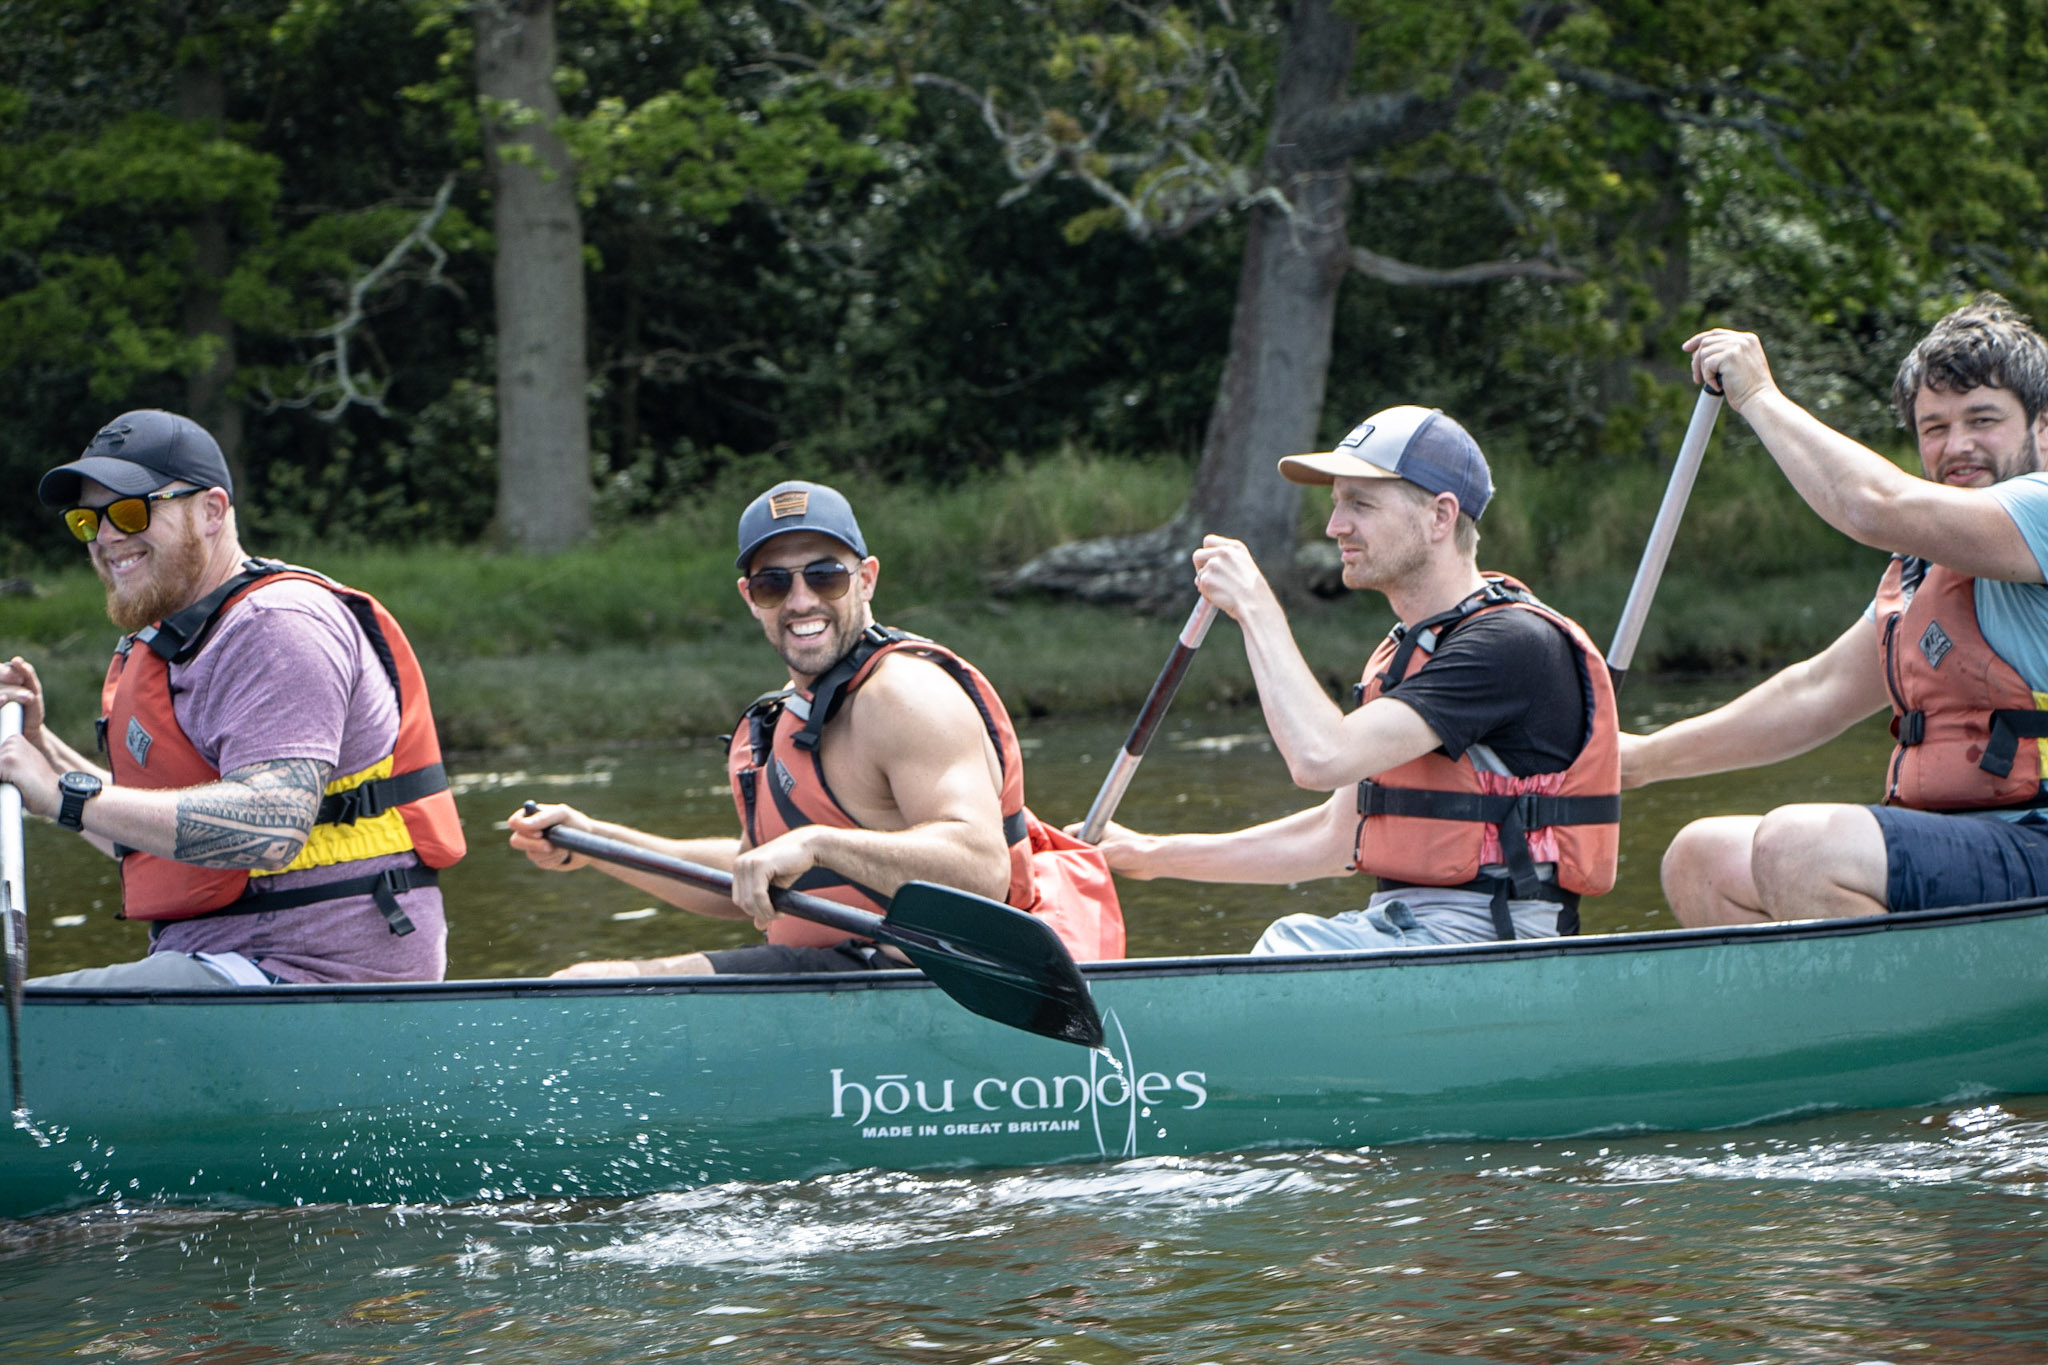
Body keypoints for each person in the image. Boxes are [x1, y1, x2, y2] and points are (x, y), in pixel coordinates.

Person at [508, 480, 1121, 975]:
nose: (801, 600)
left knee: (589, 987)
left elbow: (981, 870)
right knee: (584, 986)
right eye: (776, 583)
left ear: (867, 579)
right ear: (752, 598)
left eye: (824, 575)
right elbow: (750, 874)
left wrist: (821, 842)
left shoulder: (904, 695)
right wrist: (597, 840)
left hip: (941, 980)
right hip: (830, 975)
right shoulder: (783, 719)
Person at [1085, 406, 1620, 951]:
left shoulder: (1510, 644)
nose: (1334, 526)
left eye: (1360, 504)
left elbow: (1320, 758)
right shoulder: (1412, 650)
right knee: (1288, 936)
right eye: (1337, 502)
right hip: (1410, 926)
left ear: (1440, 516)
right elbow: (1334, 837)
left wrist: (1255, 607)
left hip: (1490, 939)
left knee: (1291, 947)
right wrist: (1149, 856)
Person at [0, 410, 463, 986]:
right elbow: (143, 835)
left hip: (312, 974)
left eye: (130, 509)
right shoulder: (186, 634)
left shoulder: (277, 626)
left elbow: (274, 828)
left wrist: (67, 798)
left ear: (212, 510)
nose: (107, 536)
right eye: (87, 521)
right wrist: (41, 753)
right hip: (232, 965)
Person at [1626, 295, 2048, 926]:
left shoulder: (2040, 509)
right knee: (1701, 857)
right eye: (1935, 427)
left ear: (2042, 428)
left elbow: (1873, 504)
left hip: (2034, 838)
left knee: (1799, 846)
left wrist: (1759, 396)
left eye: (1982, 420)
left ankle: (1904, 1022)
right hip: (1960, 843)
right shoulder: (1923, 571)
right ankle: (1816, 1023)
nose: (1957, 446)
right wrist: (1637, 760)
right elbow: (1815, 692)